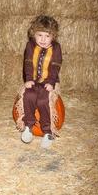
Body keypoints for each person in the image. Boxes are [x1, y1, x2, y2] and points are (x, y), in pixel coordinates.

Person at [21, 15, 62, 148]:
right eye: (39, 35)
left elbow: (56, 66)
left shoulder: (56, 48)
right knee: (28, 95)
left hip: (48, 82)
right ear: (34, 34)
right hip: (33, 80)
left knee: (43, 101)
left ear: (53, 36)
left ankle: (47, 131)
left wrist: (51, 82)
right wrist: (28, 79)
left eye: (47, 36)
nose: (43, 39)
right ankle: (28, 126)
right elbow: (27, 63)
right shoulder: (30, 45)